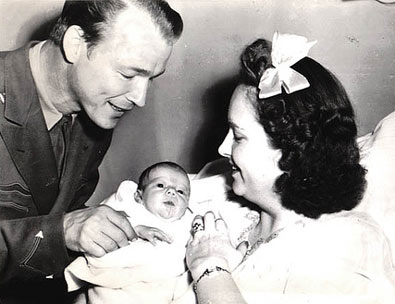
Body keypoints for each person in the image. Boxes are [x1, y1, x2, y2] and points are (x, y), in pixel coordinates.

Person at [178, 33, 395, 303]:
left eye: (238, 135)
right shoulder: (233, 207)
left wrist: (210, 269)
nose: (223, 148)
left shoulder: (344, 247)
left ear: (288, 149)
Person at [0, 1, 183, 303]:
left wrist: (118, 229)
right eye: (128, 75)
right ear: (75, 44)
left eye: (151, 78)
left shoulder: (94, 109)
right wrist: (63, 232)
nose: (140, 99)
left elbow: (59, 208)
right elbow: (57, 227)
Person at [65, 161, 193, 304]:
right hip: (117, 282)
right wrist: (136, 230)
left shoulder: (188, 222)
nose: (172, 192)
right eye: (160, 185)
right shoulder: (129, 207)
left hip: (162, 286)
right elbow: (102, 227)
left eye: (181, 191)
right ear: (139, 196)